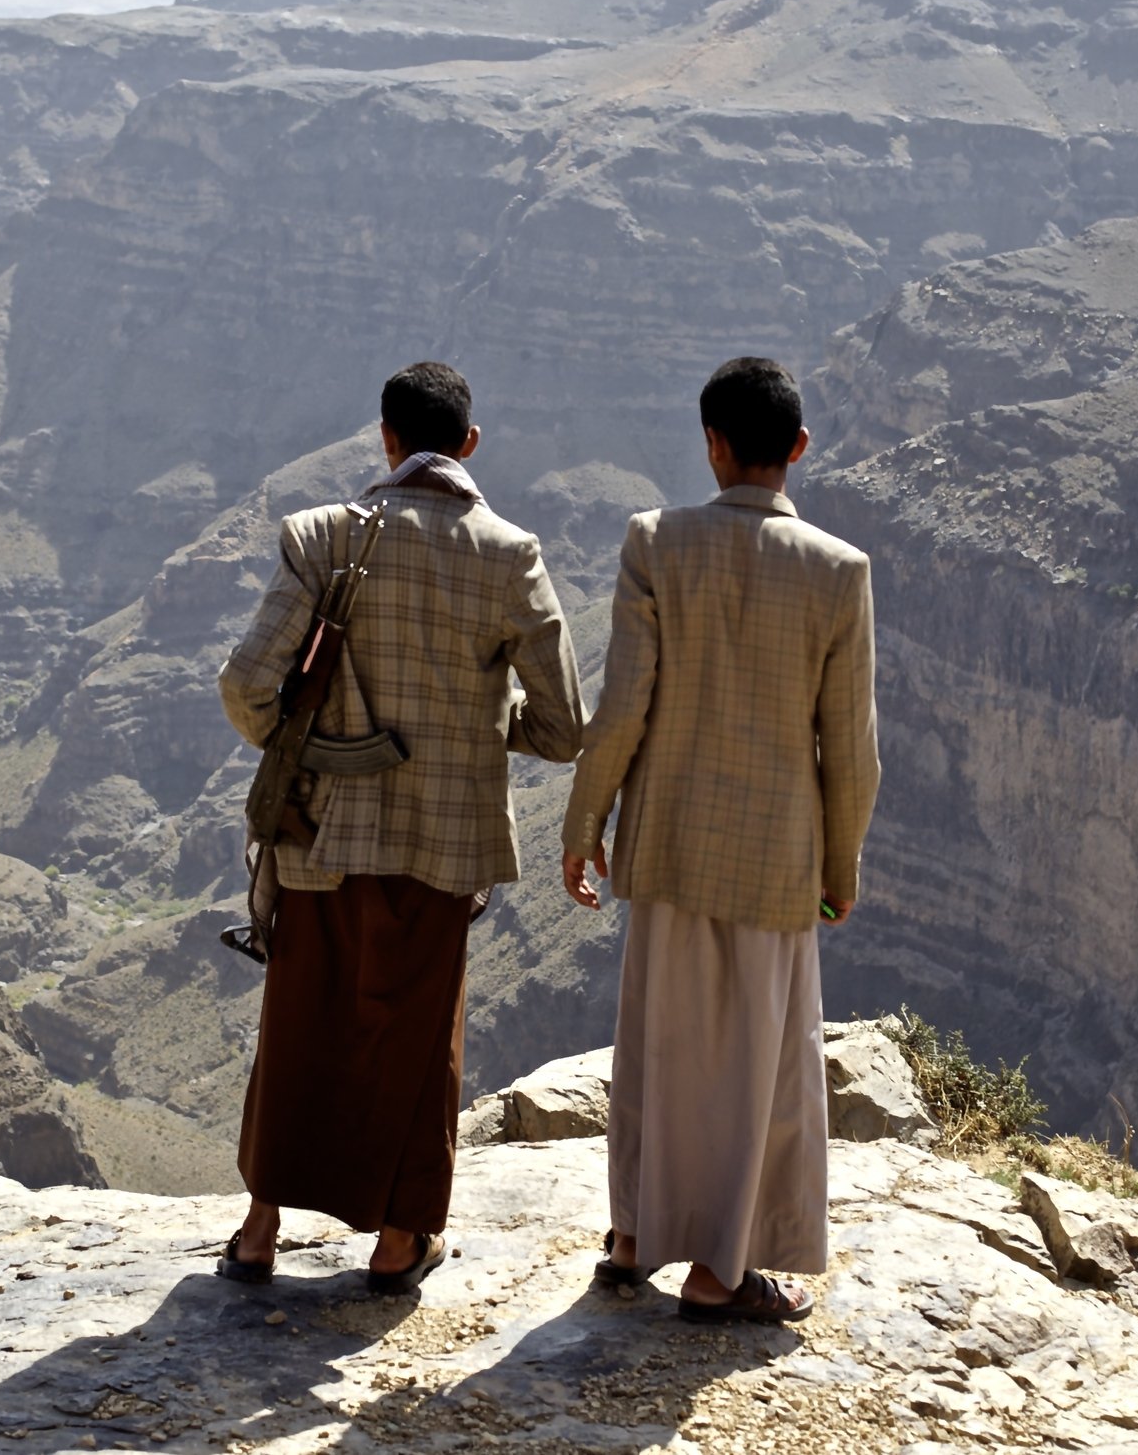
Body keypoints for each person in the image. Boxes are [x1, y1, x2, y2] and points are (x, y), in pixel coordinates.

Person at [214, 361, 586, 1293]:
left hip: (318, 832)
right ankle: (398, 1241)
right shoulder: (511, 554)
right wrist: (471, 724)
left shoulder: (321, 536)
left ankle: (259, 1231)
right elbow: (563, 724)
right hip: (442, 844)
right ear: (468, 445)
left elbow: (245, 683)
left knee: (302, 1021)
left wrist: (297, 740)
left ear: (384, 438)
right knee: (418, 1039)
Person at [560, 356, 880, 1324]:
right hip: (776, 855)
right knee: (756, 1066)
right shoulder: (839, 570)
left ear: (711, 442)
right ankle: (722, 1269)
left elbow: (622, 707)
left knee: (655, 1042)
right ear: (799, 447)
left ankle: (632, 1235)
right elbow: (852, 748)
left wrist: (586, 823)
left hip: (665, 840)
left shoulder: (655, 542)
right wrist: (840, 865)